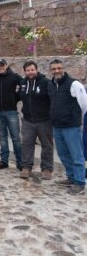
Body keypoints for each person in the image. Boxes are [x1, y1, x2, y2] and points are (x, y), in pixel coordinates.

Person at [47, 59, 87, 195]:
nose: (56, 71)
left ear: (63, 68)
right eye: (53, 69)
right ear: (50, 70)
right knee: (63, 154)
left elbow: (84, 104)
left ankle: (80, 182)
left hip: (71, 127)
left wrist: (73, 117)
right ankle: (71, 178)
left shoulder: (74, 84)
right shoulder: (51, 85)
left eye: (59, 68)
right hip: (57, 127)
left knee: (77, 155)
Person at [18, 61, 53, 180]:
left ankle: (47, 169)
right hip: (28, 121)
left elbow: (52, 99)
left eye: (32, 70)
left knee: (47, 146)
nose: (30, 72)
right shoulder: (23, 83)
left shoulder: (46, 82)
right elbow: (18, 96)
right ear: (25, 72)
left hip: (44, 121)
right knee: (27, 144)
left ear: (36, 70)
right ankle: (26, 167)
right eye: (28, 70)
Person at [0, 59, 23, 170]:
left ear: (6, 65)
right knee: (2, 138)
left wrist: (16, 97)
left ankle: (20, 162)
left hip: (11, 112)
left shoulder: (14, 76)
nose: (0, 67)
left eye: (2, 65)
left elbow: (24, 85)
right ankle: (4, 161)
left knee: (16, 138)